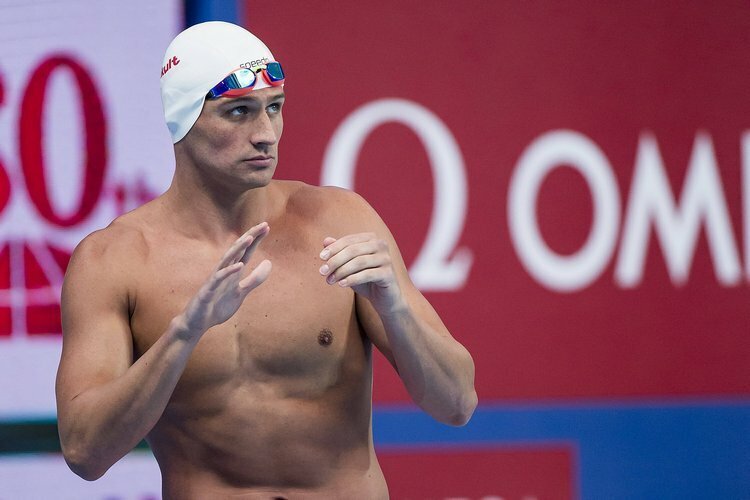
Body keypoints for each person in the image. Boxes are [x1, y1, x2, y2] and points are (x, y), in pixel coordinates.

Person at [55, 21, 477, 499]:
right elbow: (85, 453)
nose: (265, 134)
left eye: (274, 108)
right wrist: (184, 334)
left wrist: (395, 309)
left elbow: (457, 404)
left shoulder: (338, 221)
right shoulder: (115, 261)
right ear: (182, 119)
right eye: (238, 112)